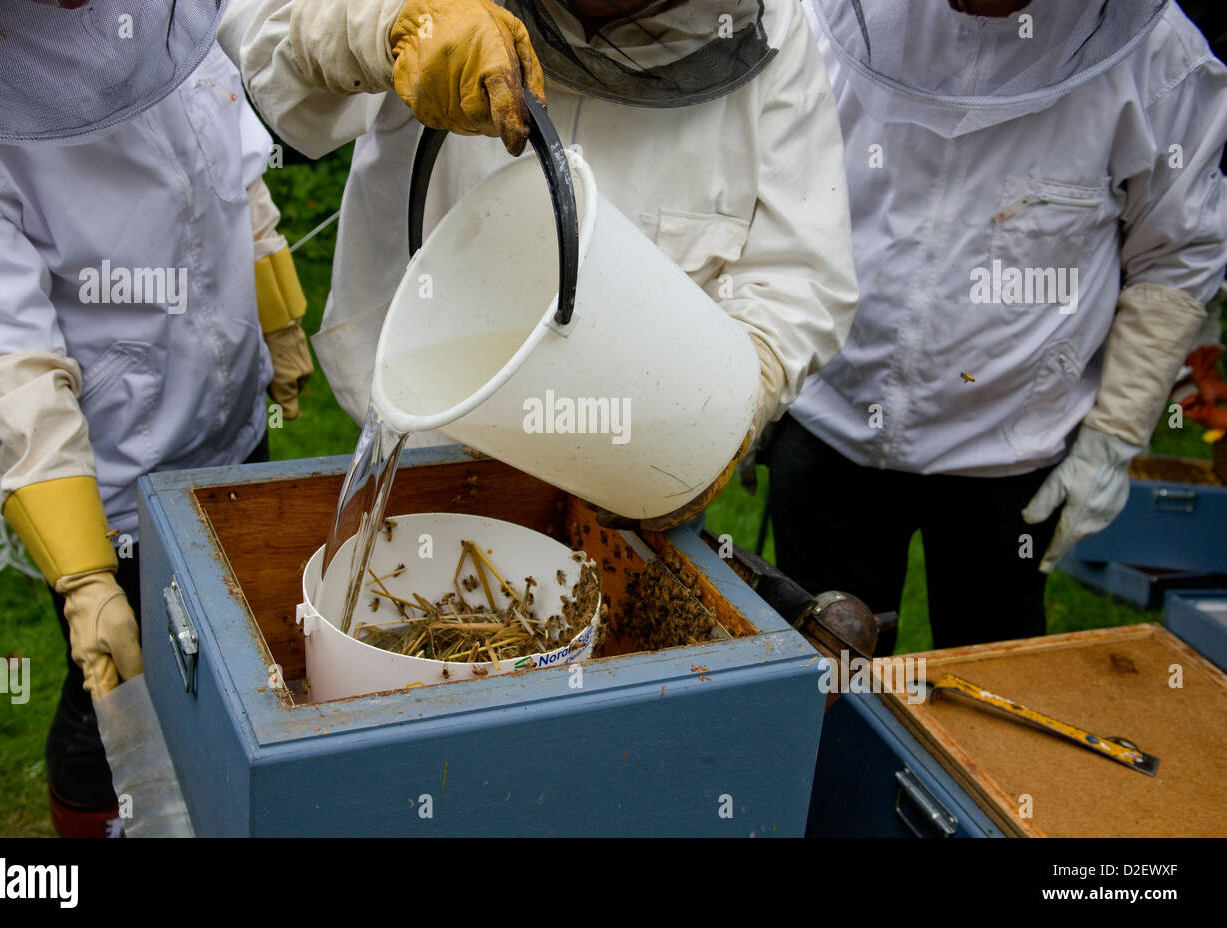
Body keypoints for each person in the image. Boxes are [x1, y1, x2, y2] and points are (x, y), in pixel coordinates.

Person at [219, 0, 859, 528]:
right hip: (423, 458)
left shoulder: (773, 32)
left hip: (629, 482)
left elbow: (799, 279)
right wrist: (394, 24)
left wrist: (723, 424)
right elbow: (258, 22)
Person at [0, 0, 311, 835]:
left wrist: (275, 308)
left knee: (231, 651)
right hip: (105, 478)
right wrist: (84, 579)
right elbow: (8, 360)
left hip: (225, 417)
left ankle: (222, 803)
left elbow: (223, 152)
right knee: (115, 694)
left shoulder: (160, 17)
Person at [769, 0, 1227, 651]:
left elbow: (1176, 253)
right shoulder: (829, 15)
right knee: (813, 687)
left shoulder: (1161, 56)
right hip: (833, 419)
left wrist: (1115, 435)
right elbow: (772, 180)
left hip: (1012, 452)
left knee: (995, 685)